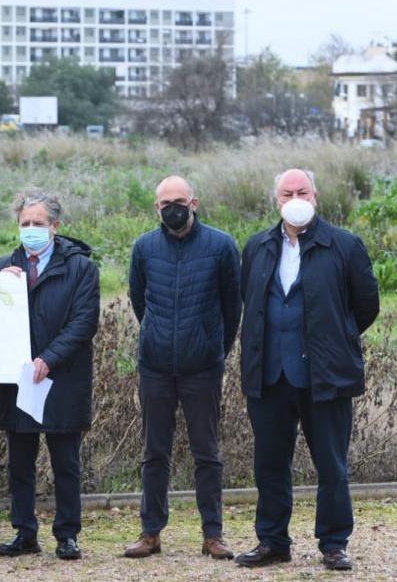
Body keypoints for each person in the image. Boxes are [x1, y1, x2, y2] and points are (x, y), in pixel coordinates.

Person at [235, 169, 379, 572]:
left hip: (325, 376)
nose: (294, 197)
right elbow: (250, 301)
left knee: (332, 464)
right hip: (270, 375)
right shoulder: (258, 246)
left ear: (315, 197)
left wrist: (336, 339)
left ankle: (334, 543)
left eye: (302, 191)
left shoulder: (344, 246)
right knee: (269, 463)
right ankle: (273, 541)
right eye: (287, 192)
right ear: (276, 200)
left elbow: (366, 304)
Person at [124, 175, 242, 561]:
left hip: (202, 367)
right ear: (156, 208)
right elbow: (139, 299)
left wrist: (213, 348)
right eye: (164, 203)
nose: (172, 208)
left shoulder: (222, 246)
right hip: (155, 366)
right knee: (154, 453)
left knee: (207, 453)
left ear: (194, 203)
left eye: (179, 200)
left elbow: (231, 307)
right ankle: (150, 532)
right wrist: (158, 336)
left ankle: (213, 534)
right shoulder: (144, 248)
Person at [0, 188, 100, 561]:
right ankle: (24, 532)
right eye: (25, 223)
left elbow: (83, 322)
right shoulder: (2, 268)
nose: (31, 229)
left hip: (62, 378)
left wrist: (50, 358)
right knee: (20, 461)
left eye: (39, 223)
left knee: (65, 462)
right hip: (17, 381)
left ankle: (67, 534)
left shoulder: (81, 268)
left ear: (55, 225)